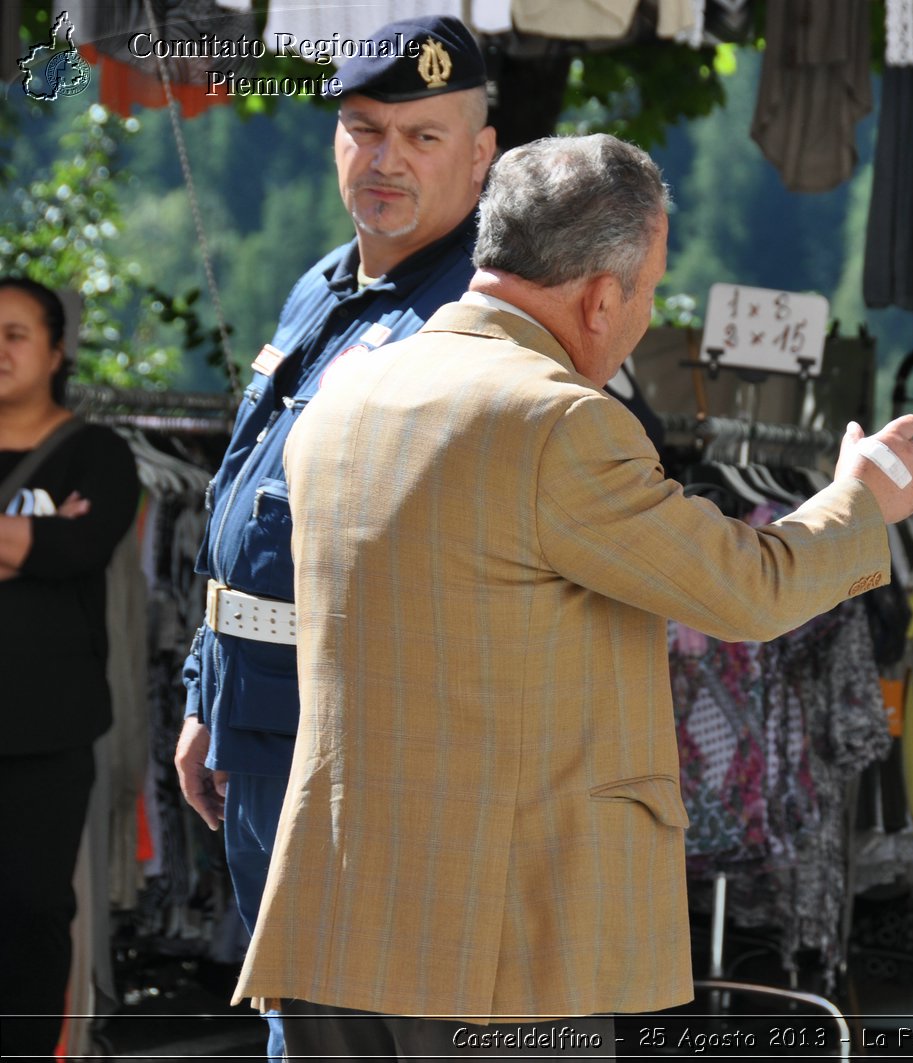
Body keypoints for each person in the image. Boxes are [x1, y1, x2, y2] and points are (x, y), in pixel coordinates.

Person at [231, 133, 913, 1059]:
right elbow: (749, 589)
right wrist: (861, 499)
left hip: (336, 915)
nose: (638, 315)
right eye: (645, 292)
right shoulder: (562, 422)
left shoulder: (346, 394)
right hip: (502, 939)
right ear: (602, 295)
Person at [170, 15, 494, 1059]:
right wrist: (202, 690)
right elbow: (244, 505)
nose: (386, 158)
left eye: (423, 136)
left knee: (367, 1030)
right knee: (298, 1023)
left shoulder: (487, 314)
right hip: (261, 720)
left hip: (380, 750)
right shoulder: (324, 287)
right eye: (363, 128)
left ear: (483, 153)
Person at [0, 278, 139, 1059]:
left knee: (28, 915)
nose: (0, 349)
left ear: (56, 352)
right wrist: (28, 543)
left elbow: (81, 547)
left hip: (44, 732)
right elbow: (45, 546)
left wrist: (45, 545)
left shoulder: (98, 453)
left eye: (17, 333)